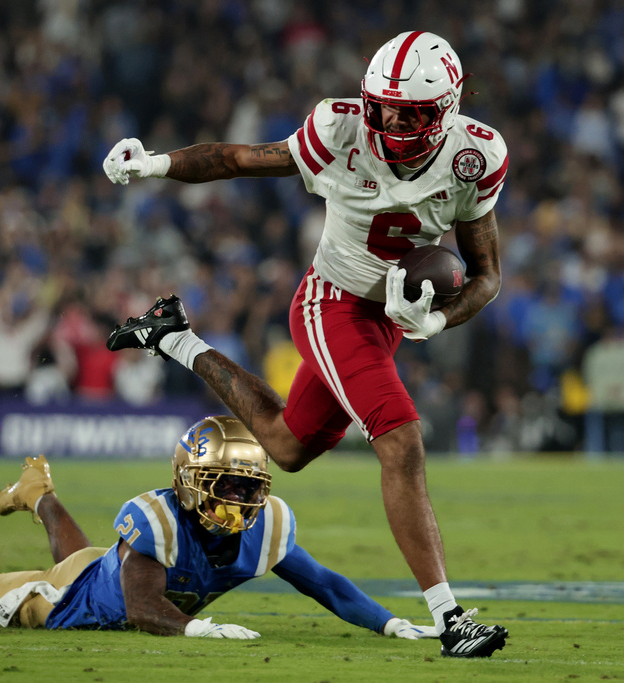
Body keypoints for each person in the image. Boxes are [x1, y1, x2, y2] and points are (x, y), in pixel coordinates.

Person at [102, 31, 508, 657]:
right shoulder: (338, 129)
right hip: (332, 304)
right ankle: (452, 618)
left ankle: (175, 340)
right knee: (401, 441)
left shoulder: (475, 156)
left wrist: (438, 322)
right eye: (386, 105)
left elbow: (486, 276)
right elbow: (239, 159)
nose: (394, 120)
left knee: (287, 448)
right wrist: (156, 163)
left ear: (447, 110)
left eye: (413, 111)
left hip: (387, 322)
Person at [0, 415, 438, 643]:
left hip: (112, 571)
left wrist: (388, 623)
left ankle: (38, 495)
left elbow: (326, 585)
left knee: (91, 561)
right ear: (189, 482)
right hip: (73, 601)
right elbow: (140, 608)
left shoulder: (266, 526)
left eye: (248, 485)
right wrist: (199, 631)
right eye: (226, 484)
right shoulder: (156, 518)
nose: (240, 498)